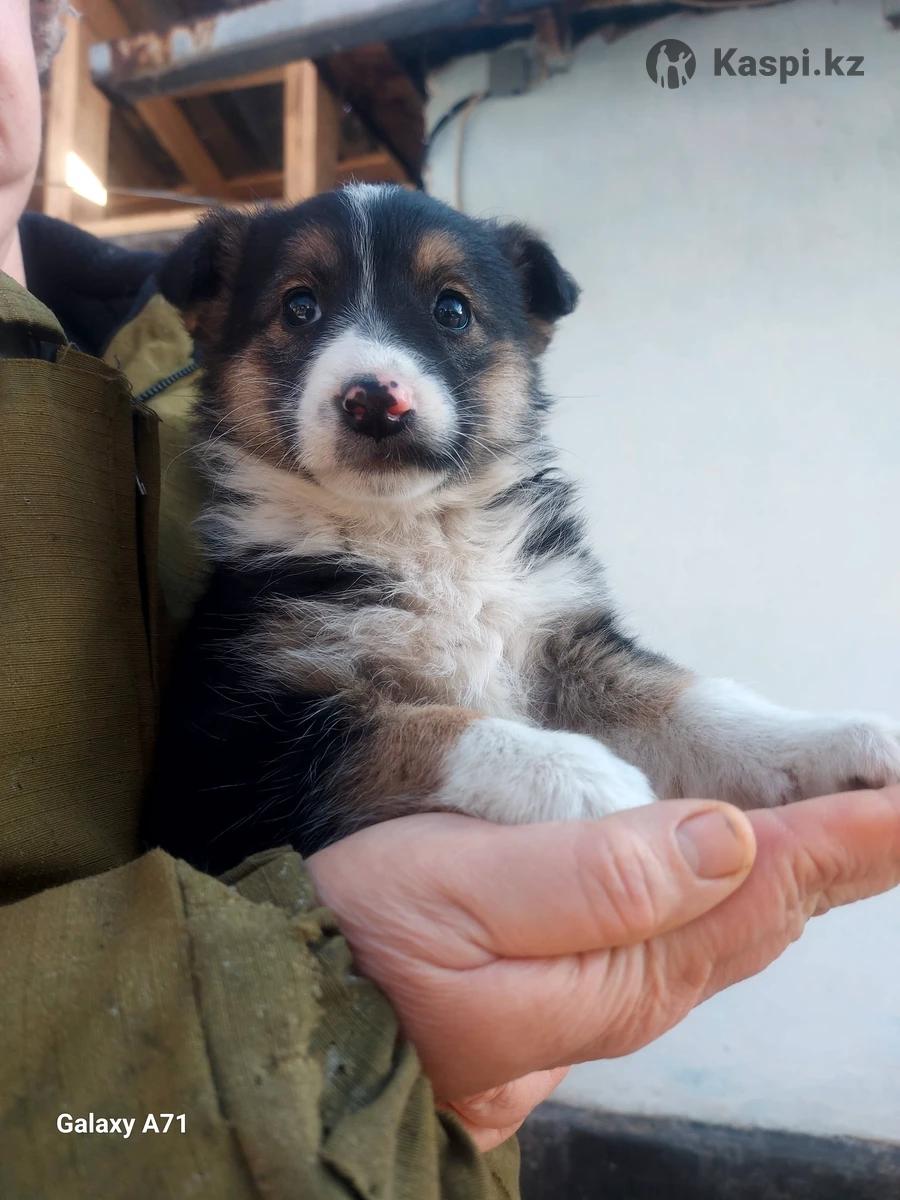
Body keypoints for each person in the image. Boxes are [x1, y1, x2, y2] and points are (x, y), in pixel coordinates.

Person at [2, 2, 899, 1195]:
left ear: (530, 335)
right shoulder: (264, 583)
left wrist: (778, 748)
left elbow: (606, 686)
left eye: (452, 312)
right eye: (303, 310)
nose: (374, 372)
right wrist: (478, 758)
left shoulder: (510, 549)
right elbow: (287, 759)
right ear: (216, 330)